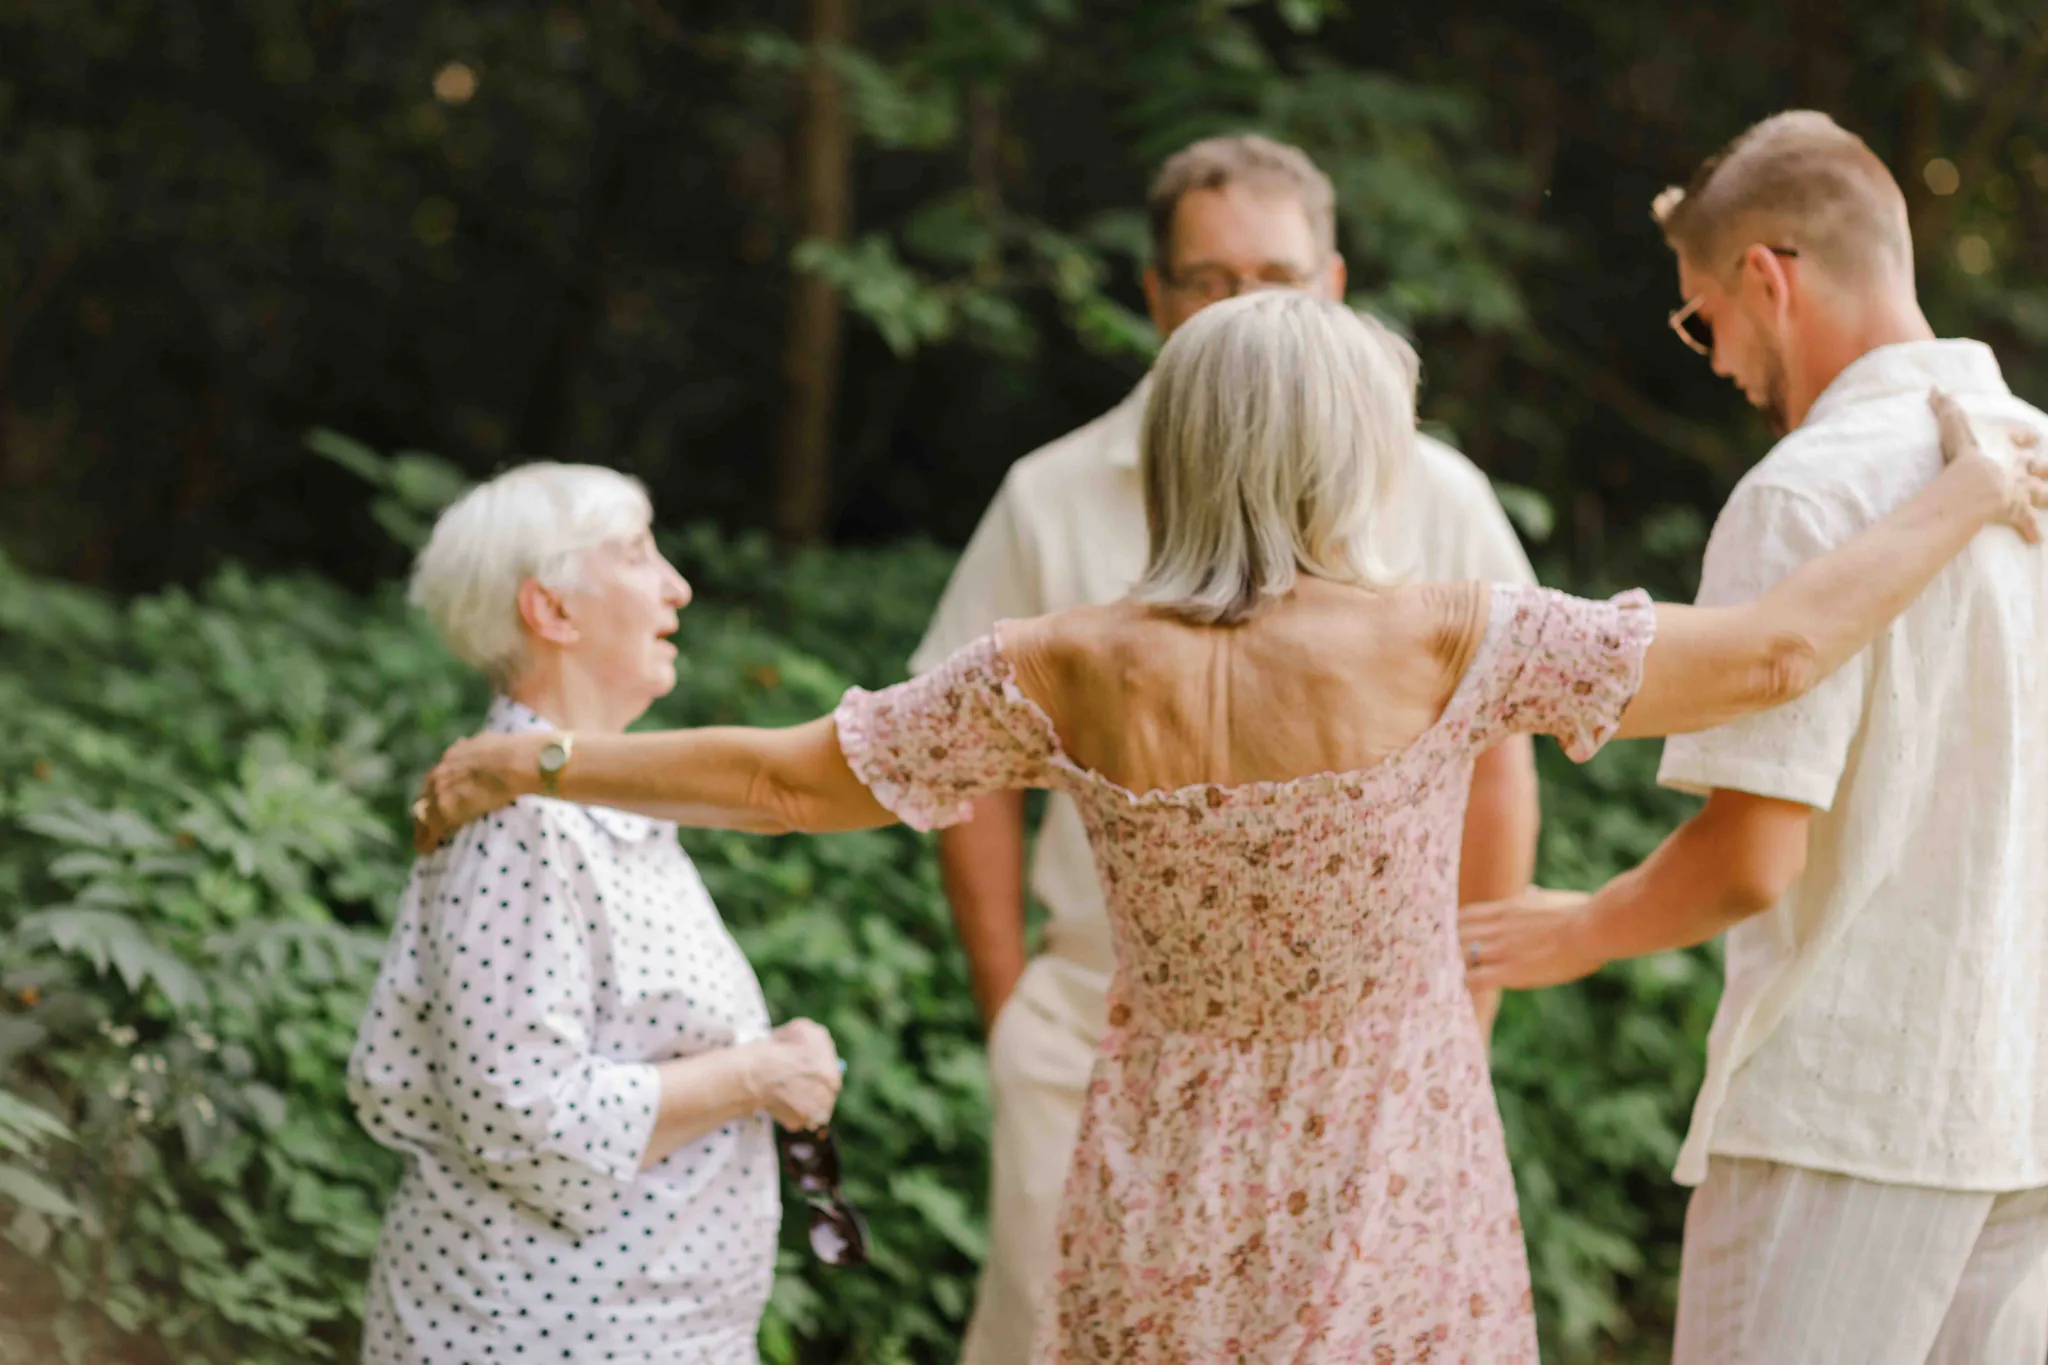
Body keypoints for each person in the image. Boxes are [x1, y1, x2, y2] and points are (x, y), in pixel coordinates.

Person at [408, 292, 2040, 1361]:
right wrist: (1965, 493)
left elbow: (779, 777)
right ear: (1345, 457)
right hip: (1393, 1161)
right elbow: (1768, 651)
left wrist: (535, 759)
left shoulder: (1063, 666)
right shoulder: (1451, 637)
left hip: (1162, 1169)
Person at [912, 134, 1540, 1359]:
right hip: (1095, 1027)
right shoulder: (1049, 494)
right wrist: (1008, 1006)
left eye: (1274, 274)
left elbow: (1499, 758)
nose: (1240, 305)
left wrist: (1463, 1010)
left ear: (1334, 285)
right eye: (1204, 279)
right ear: (1153, 296)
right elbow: (953, 765)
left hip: (1363, 1062)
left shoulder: (1439, 494)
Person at [1459, 111, 2048, 1365]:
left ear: (1766, 278)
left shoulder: (1803, 492)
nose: (1712, 358)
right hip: (2020, 1109)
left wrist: (1566, 932)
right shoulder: (2039, 459)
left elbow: (1747, 860)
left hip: (1842, 1117)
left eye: (1700, 316)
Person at [346, 463, 845, 1365]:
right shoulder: (520, 825)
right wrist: (758, 1073)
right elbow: (518, 1111)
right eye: (638, 552)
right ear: (553, 611)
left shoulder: (586, 804)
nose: (678, 584)